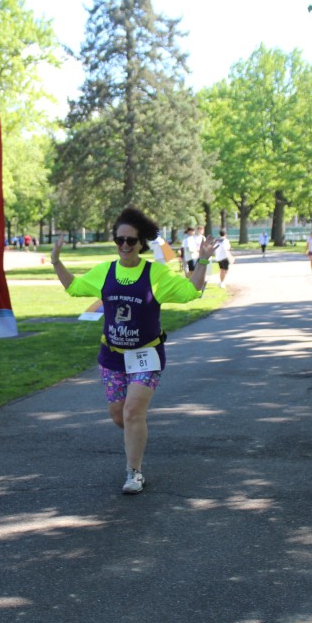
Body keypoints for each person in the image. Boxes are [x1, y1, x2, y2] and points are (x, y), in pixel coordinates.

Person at [49, 207, 215, 495]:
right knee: (119, 415)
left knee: (132, 410)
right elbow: (74, 287)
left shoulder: (155, 274)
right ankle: (137, 432)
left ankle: (133, 472)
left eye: (131, 240)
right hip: (112, 356)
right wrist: (55, 261)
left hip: (146, 355)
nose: (124, 245)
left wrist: (202, 260)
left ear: (141, 243)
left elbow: (191, 291)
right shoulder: (105, 271)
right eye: (120, 240)